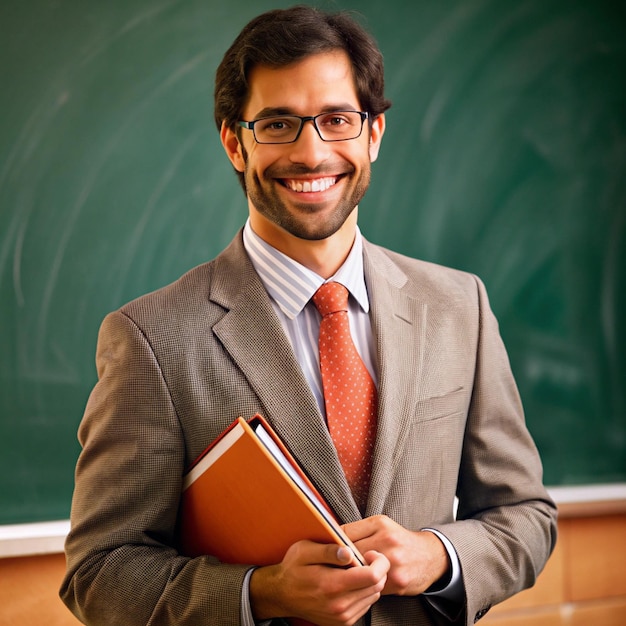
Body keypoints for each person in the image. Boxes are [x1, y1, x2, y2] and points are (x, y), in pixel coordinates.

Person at [60, 6, 557, 626]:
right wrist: (260, 592)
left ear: (373, 132)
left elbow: (526, 519)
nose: (310, 151)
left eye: (336, 120)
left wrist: (438, 555)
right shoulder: (149, 338)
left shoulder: (459, 307)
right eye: (278, 124)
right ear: (233, 142)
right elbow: (99, 571)